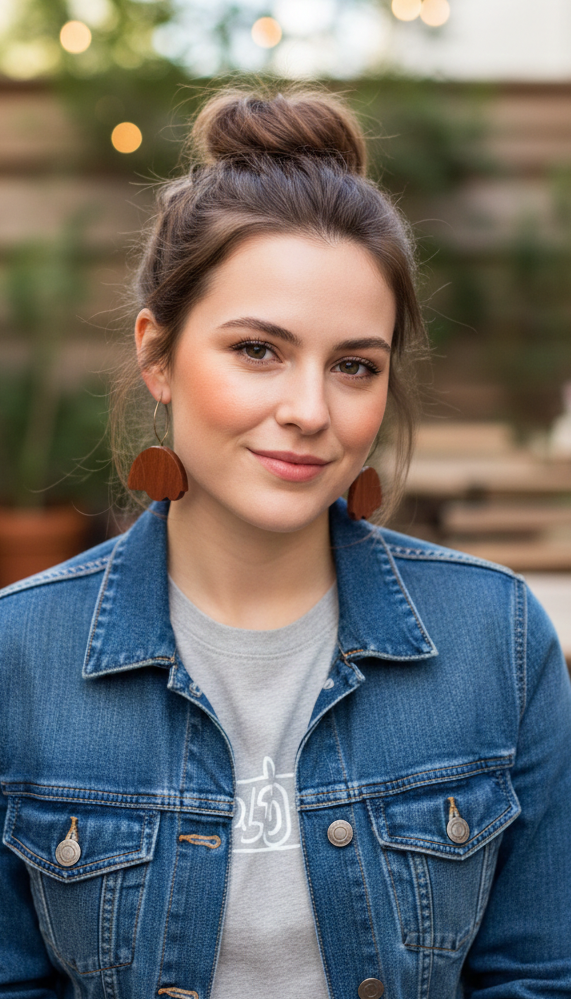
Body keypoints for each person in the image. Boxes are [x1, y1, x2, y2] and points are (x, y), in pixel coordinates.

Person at [1, 87, 570, 999]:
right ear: (158, 355)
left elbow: (539, 976)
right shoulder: (19, 655)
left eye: (354, 365)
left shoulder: (494, 638)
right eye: (258, 349)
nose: (309, 411)